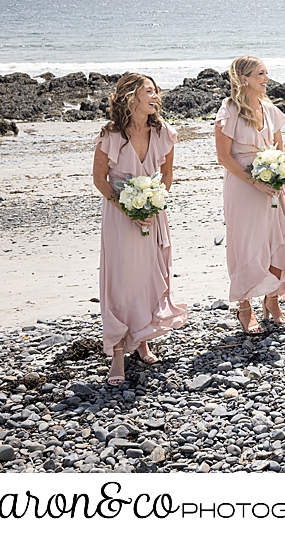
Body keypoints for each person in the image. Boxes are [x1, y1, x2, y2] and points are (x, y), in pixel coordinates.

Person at [92, 73, 187, 385]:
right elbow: (100, 180)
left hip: (153, 214)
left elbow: (168, 175)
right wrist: (128, 209)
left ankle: (143, 338)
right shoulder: (111, 135)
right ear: (132, 97)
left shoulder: (164, 132)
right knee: (119, 281)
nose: (156, 95)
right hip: (120, 218)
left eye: (156, 91)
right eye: (149, 91)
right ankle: (118, 352)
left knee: (149, 274)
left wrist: (153, 206)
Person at [214, 55, 285, 334]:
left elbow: (279, 148)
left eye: (266, 73)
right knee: (245, 244)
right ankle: (244, 309)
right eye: (261, 74)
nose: (266, 78)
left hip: (272, 185)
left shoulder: (270, 109)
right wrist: (253, 181)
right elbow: (223, 156)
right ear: (245, 78)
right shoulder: (230, 109)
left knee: (276, 240)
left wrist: (280, 173)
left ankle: (272, 300)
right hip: (242, 186)